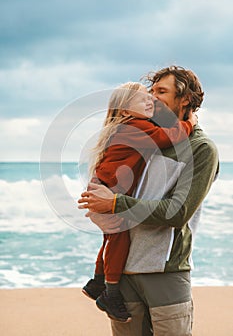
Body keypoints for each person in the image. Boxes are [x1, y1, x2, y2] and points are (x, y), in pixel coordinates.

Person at [78, 66, 219, 336]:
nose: (153, 98)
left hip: (164, 270)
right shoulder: (143, 135)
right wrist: (101, 205)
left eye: (161, 92)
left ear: (185, 99)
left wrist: (114, 204)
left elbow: (177, 213)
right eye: (151, 91)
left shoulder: (200, 148)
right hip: (122, 272)